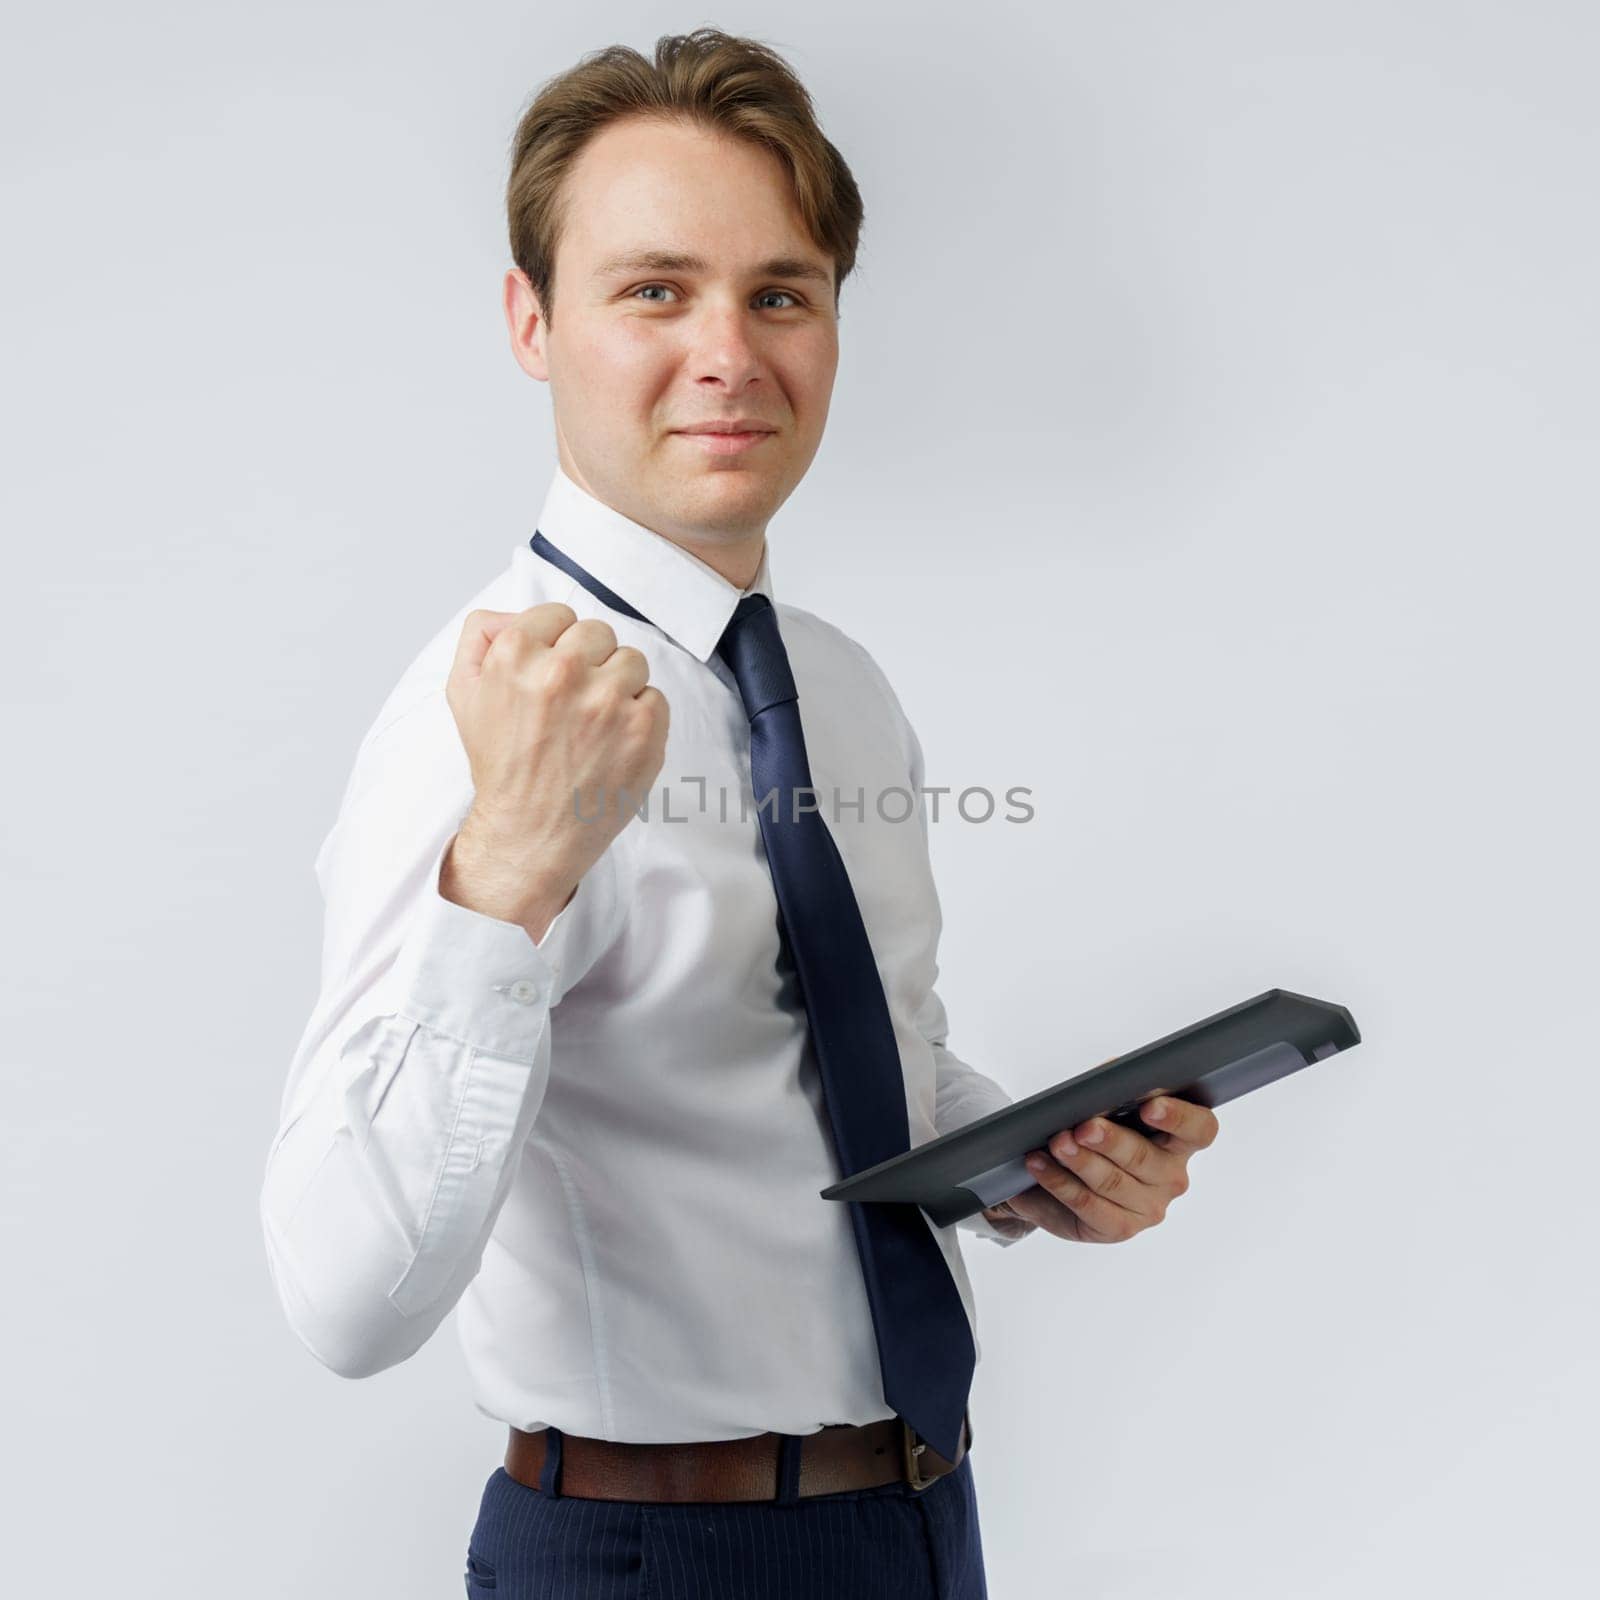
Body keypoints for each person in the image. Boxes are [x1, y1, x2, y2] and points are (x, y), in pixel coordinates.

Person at [258, 27, 1218, 1598]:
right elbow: (344, 1299)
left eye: (781, 292)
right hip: (652, 1553)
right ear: (532, 322)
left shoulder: (834, 689)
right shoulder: (479, 714)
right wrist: (505, 868)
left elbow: (820, 1066)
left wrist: (1033, 1162)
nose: (730, 352)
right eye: (654, 289)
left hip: (918, 1522)